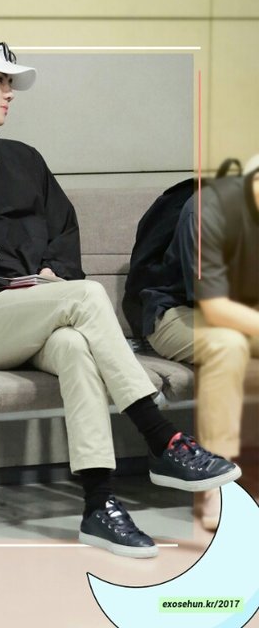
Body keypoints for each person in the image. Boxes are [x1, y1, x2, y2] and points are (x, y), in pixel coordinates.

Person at [0, 39, 241, 557]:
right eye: (0, 81)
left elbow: (64, 231)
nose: (10, 93)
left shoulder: (24, 162)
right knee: (85, 297)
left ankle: (98, 507)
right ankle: (163, 438)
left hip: (39, 311)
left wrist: (56, 272)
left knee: (75, 347)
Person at [143, 164, 259, 529]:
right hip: (176, 313)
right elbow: (214, 307)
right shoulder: (207, 209)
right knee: (227, 346)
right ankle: (216, 489)